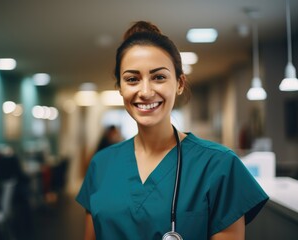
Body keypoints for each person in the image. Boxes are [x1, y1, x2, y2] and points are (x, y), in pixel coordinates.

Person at [76, 21, 268, 240]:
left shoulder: (219, 166)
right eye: (132, 79)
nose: (145, 91)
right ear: (120, 87)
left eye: (159, 77)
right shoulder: (101, 165)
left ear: (179, 83)